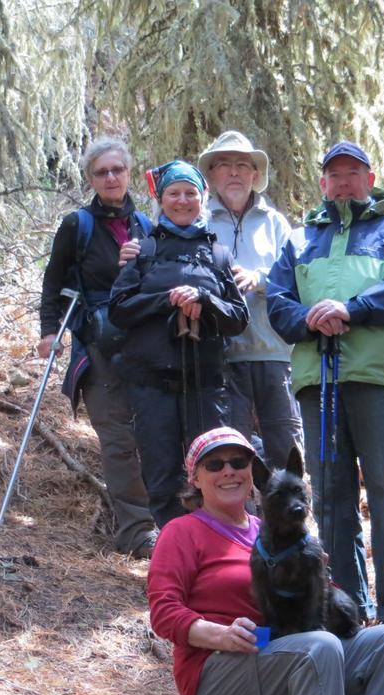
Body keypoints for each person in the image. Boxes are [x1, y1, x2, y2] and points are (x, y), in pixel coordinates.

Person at [148, 427, 384, 695]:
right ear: (196, 480)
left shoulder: (279, 531)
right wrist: (221, 634)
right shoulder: (182, 532)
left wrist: (321, 576)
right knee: (319, 647)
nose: (229, 470)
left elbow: (321, 599)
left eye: (238, 461)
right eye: (215, 465)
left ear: (255, 476)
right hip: (218, 673)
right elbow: (163, 612)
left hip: (287, 653)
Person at [267, 140, 384, 626]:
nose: (343, 181)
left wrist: (350, 310)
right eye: (335, 174)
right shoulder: (298, 240)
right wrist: (310, 319)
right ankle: (347, 609)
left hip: (375, 376)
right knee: (331, 500)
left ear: (369, 179)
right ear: (323, 183)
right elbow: (277, 300)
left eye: (353, 172)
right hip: (318, 383)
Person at [110, 160, 249, 528]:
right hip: (153, 388)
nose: (182, 200)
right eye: (174, 193)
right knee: (161, 476)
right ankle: (170, 565)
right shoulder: (143, 251)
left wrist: (204, 298)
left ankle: (219, 560)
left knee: (216, 474)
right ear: (161, 198)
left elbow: (238, 318)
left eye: (190, 193)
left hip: (205, 387)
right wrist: (166, 300)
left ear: (202, 198)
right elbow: (119, 310)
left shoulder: (218, 255)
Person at [38, 137, 157, 559]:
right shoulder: (78, 226)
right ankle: (136, 531)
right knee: (118, 439)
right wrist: (49, 331)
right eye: (101, 172)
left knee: (152, 435)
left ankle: (162, 524)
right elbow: (53, 282)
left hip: (145, 346)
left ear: (129, 173)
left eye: (117, 170)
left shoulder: (146, 226)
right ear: (90, 178)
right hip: (98, 346)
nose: (110, 178)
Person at [196, 130, 302, 468]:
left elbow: (297, 280)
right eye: (224, 165)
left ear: (255, 175)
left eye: (243, 165)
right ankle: (240, 522)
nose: (234, 172)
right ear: (211, 175)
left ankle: (296, 520)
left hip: (275, 353)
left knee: (287, 451)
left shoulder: (276, 224)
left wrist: (261, 280)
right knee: (232, 454)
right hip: (222, 357)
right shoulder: (199, 221)